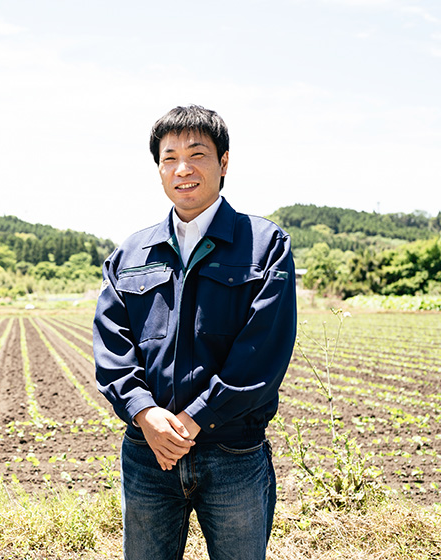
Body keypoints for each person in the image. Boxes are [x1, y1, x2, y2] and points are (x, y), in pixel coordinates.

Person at [93, 105, 296, 560]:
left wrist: (190, 420)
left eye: (197, 154)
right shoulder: (130, 253)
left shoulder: (264, 244)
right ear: (159, 169)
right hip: (149, 455)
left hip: (233, 453)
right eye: (169, 158)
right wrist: (144, 413)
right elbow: (111, 347)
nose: (182, 169)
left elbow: (262, 353)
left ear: (224, 163)